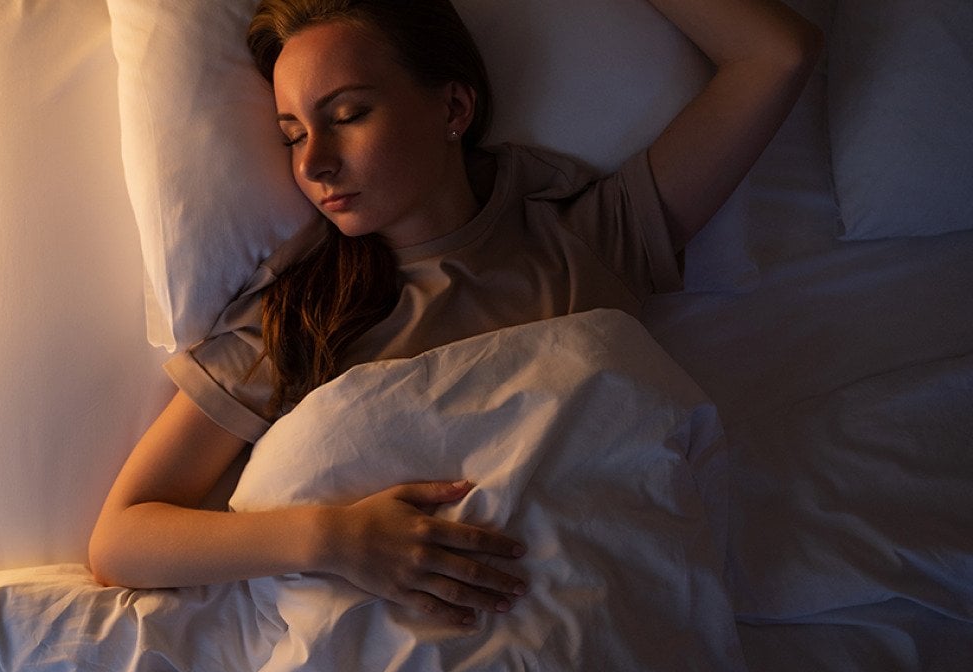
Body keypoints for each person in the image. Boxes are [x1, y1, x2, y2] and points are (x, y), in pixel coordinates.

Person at [90, 0, 822, 627]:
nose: (313, 163)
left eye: (346, 115)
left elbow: (777, 56)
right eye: (291, 134)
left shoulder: (594, 239)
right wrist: (332, 540)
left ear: (453, 107)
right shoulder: (299, 318)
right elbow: (122, 538)